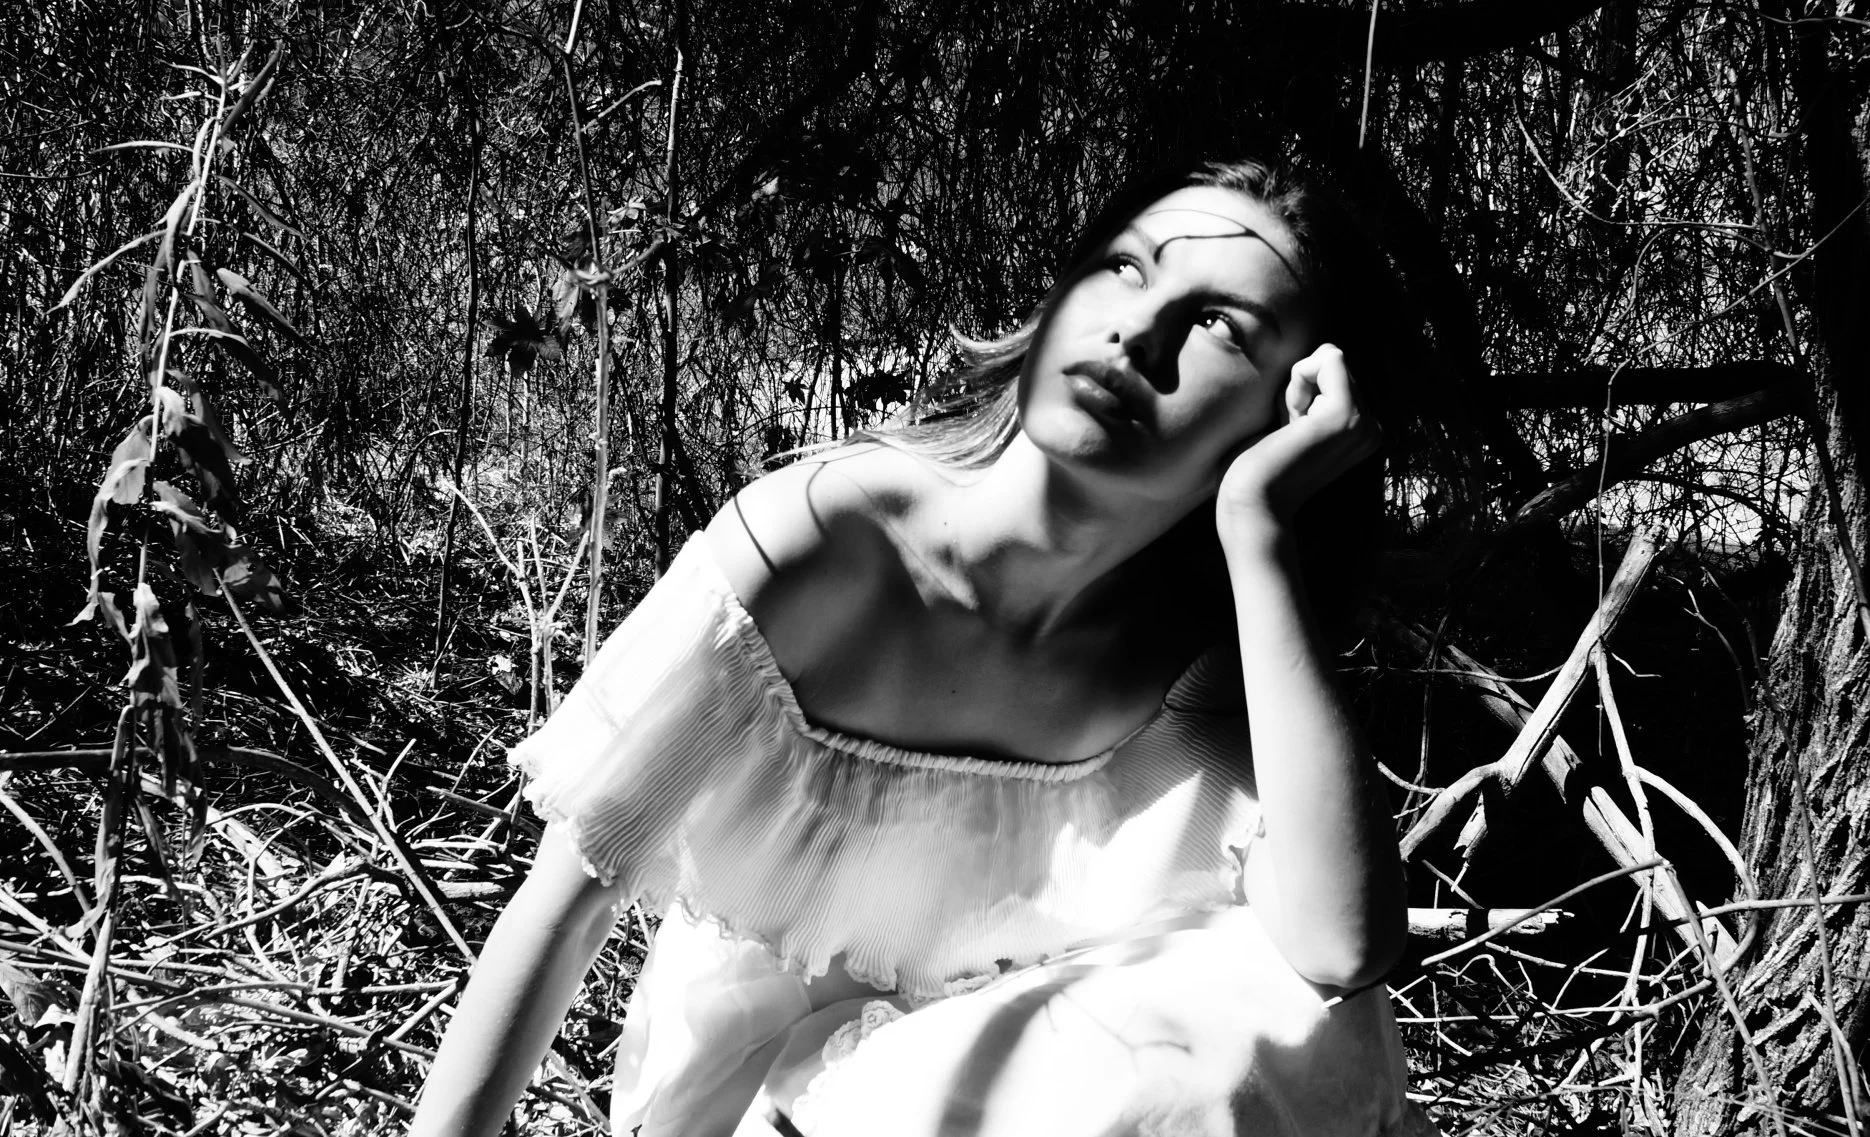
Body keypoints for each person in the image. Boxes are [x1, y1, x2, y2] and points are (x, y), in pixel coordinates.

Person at [409, 158, 1437, 1137]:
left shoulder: (1194, 659)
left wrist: (1257, 532)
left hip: (1046, 1101)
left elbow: (1341, 946)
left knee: (1295, 1007)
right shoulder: (819, 540)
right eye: (1124, 265)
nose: (1136, 329)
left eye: (1217, 323)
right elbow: (566, 906)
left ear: (1288, 412)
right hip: (773, 1107)